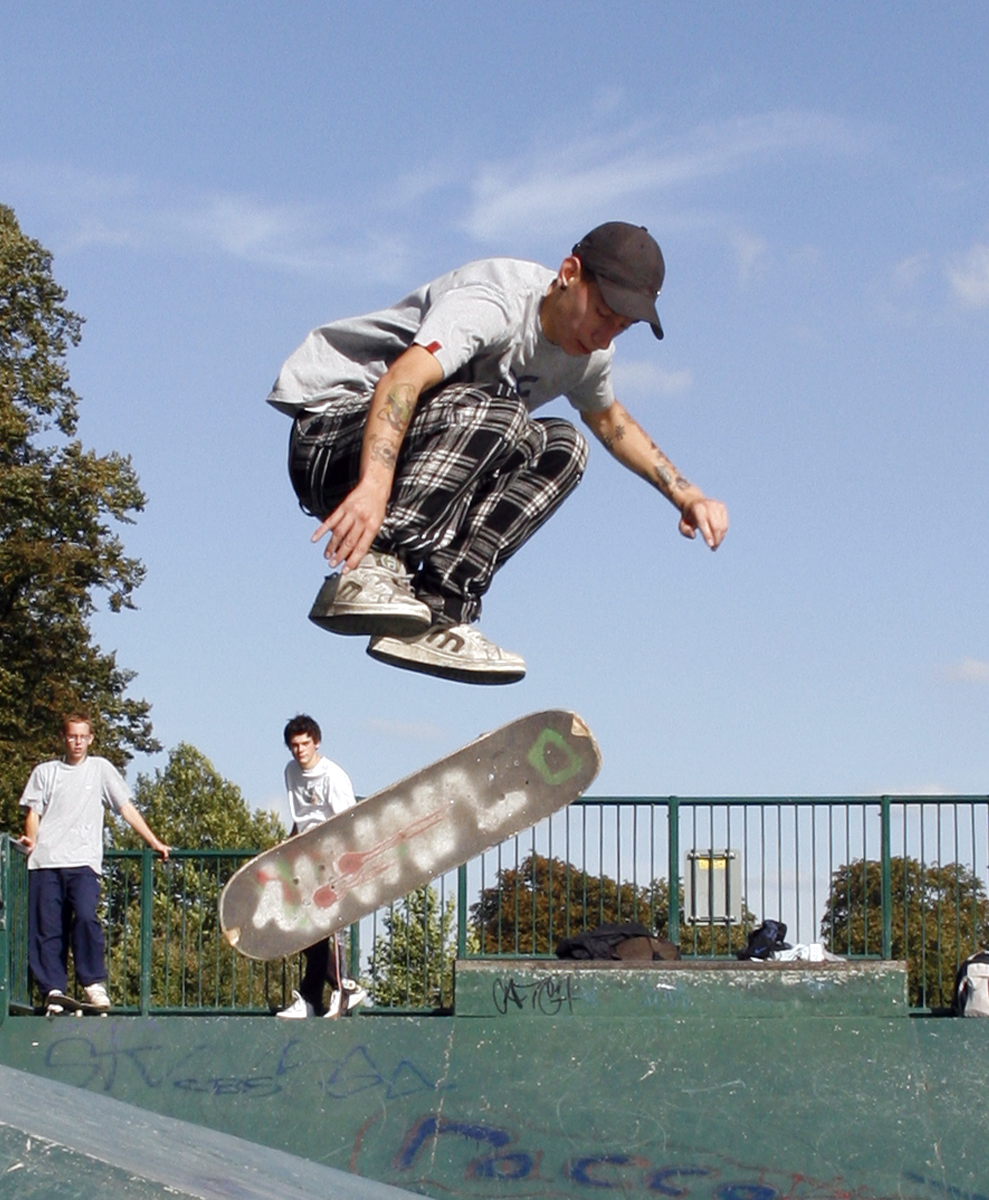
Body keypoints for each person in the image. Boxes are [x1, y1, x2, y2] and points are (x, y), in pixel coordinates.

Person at [269, 221, 729, 684]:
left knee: (564, 448)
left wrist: (687, 496)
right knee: (505, 415)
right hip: (332, 437)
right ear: (569, 273)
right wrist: (373, 485)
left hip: (413, 461)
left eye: (621, 327)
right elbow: (401, 381)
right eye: (604, 313)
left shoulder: (588, 356)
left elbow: (610, 421)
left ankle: (441, 610)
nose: (605, 336)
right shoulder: (494, 301)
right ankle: (375, 565)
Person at [17, 714, 170, 1014]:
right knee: (48, 928)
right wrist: (31, 840)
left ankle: (92, 984)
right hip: (46, 861)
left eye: (82, 737)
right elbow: (33, 813)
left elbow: (125, 808)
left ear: (91, 739)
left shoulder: (100, 769)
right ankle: (53, 990)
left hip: (83, 862)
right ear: (64, 737)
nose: (77, 742)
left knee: (87, 917)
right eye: (72, 736)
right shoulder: (46, 772)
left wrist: (153, 841)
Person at [275, 714, 366, 1018]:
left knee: (327, 926)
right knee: (303, 928)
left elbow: (346, 822)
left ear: (316, 742)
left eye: (304, 744)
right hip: (305, 857)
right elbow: (303, 816)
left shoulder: (333, 776)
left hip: (332, 857)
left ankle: (336, 993)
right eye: (294, 746)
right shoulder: (291, 772)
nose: (299, 751)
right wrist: (288, 842)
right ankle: (326, 993)